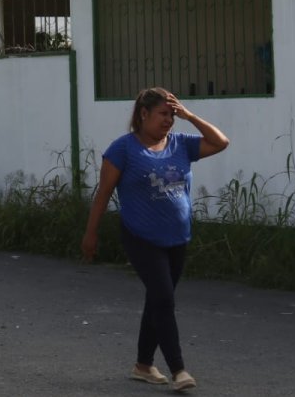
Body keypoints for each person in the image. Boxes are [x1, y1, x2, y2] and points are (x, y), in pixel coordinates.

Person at [81, 87, 229, 392]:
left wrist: (189, 115)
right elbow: (103, 194)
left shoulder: (180, 144)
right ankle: (178, 370)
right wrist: (90, 234)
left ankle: (143, 365)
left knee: (157, 299)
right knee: (163, 297)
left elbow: (220, 141)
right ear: (143, 114)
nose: (169, 121)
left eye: (172, 115)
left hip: (177, 237)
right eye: (163, 114)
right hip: (141, 236)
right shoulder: (123, 149)